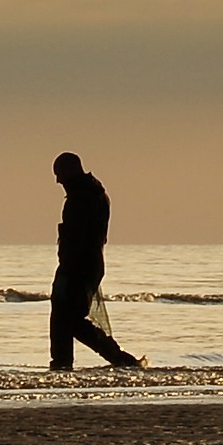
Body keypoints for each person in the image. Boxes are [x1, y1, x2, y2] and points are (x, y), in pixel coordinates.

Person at [50, 152, 142, 371]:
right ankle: (114, 358)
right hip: (89, 265)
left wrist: (68, 267)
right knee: (69, 318)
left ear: (71, 170)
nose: (58, 181)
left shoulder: (81, 197)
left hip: (78, 266)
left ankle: (68, 364)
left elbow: (77, 238)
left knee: (65, 318)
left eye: (60, 174)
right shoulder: (94, 193)